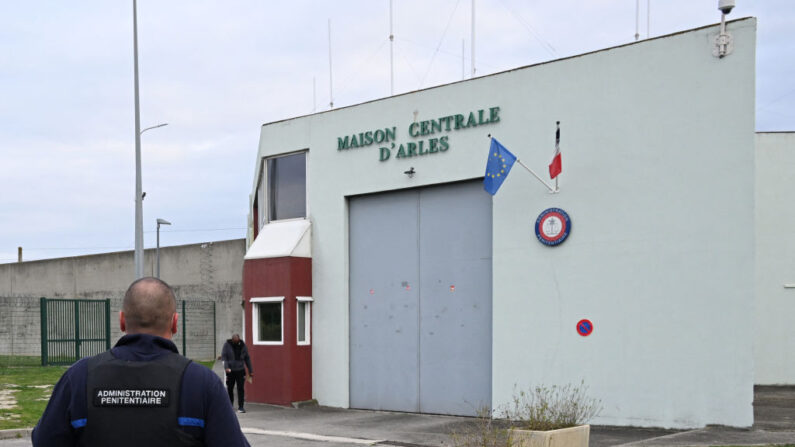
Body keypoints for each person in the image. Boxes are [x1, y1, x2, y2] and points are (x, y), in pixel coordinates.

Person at [32, 277, 250, 447]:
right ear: (175, 323)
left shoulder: (79, 377)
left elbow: (45, 440)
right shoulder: (202, 384)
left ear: (121, 320)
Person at [221, 334, 253, 413]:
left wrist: (250, 370)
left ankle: (241, 407)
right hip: (230, 370)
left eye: (237, 341)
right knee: (230, 388)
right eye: (234, 341)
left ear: (239, 340)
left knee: (241, 388)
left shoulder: (243, 346)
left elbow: (247, 358)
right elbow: (224, 357)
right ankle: (230, 406)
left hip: (240, 370)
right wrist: (226, 367)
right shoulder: (227, 345)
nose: (236, 342)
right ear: (232, 340)